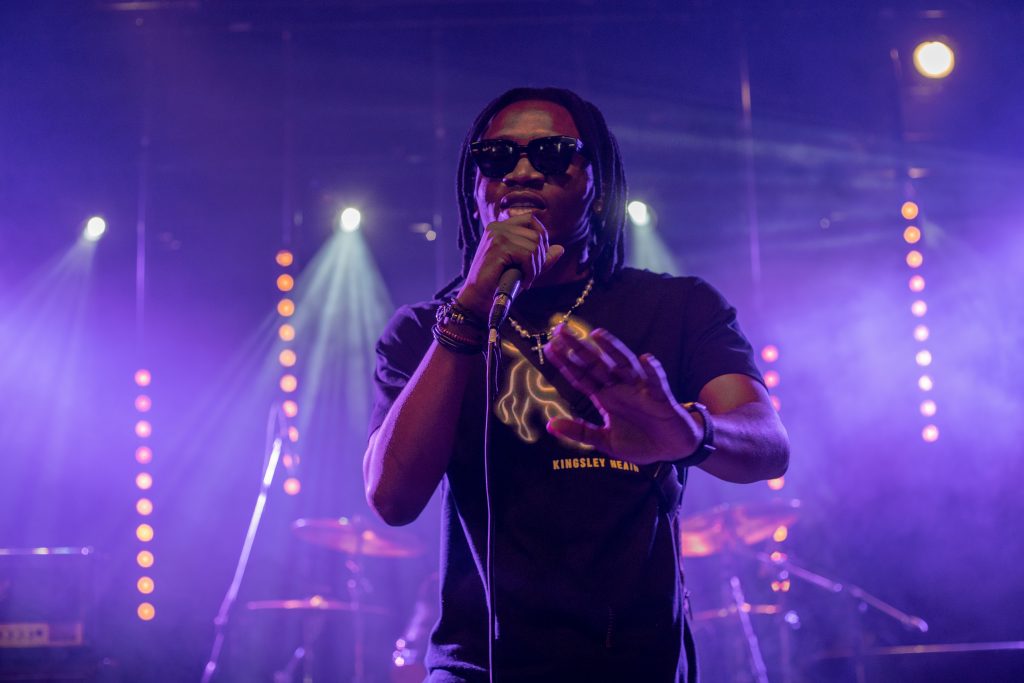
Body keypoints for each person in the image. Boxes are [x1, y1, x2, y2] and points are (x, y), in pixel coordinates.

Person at [364, 87, 789, 682]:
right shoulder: (424, 330)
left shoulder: (676, 307)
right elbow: (391, 497)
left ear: (598, 181)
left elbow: (768, 445)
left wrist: (686, 431)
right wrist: (469, 309)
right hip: (477, 670)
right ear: (475, 184)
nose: (521, 171)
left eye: (551, 152)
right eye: (496, 157)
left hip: (636, 666)